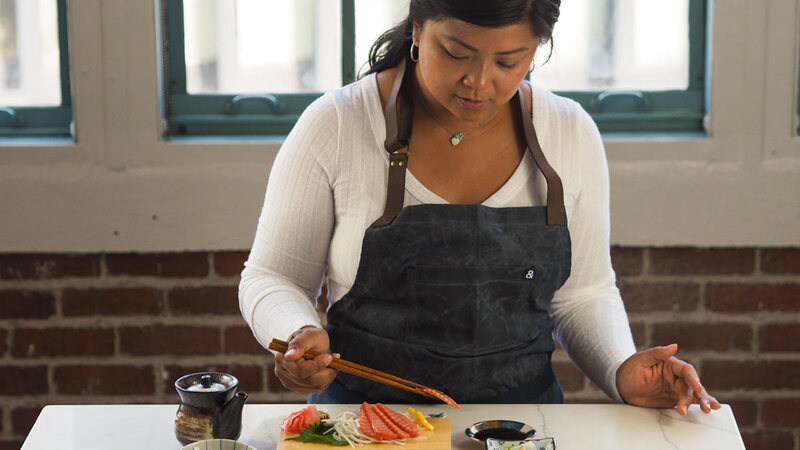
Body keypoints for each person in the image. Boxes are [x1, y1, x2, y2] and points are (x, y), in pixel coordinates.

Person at [239, 0, 720, 414]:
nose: (479, 82)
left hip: (519, 428)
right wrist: (297, 332)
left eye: (509, 62)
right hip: (364, 425)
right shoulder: (337, 124)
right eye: (455, 53)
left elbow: (584, 294)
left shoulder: (569, 132)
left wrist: (620, 369)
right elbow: (272, 275)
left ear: (536, 50)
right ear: (418, 28)